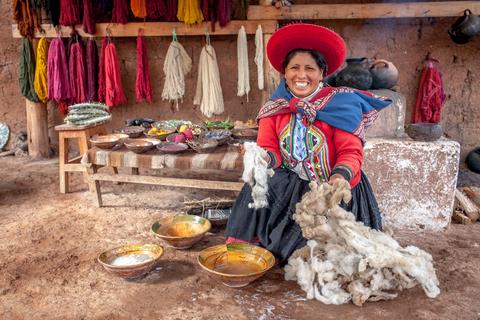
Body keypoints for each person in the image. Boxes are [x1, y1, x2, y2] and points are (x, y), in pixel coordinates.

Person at [225, 23, 392, 265]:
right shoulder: (276, 108)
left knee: (330, 257)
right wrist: (260, 157)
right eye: (294, 68)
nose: (301, 76)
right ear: (284, 72)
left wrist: (338, 180)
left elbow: (350, 153)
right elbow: (271, 151)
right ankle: (252, 242)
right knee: (257, 182)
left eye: (309, 69)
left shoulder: (342, 105)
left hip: (334, 187)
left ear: (322, 73)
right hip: (292, 185)